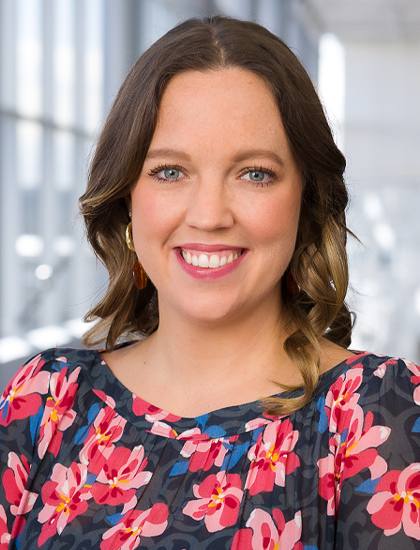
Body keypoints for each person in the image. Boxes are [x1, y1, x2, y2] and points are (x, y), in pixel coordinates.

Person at [0, 15, 419, 550]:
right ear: (127, 196)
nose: (209, 215)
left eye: (254, 174)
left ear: (306, 201)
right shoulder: (47, 400)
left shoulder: (376, 413)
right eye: (170, 171)